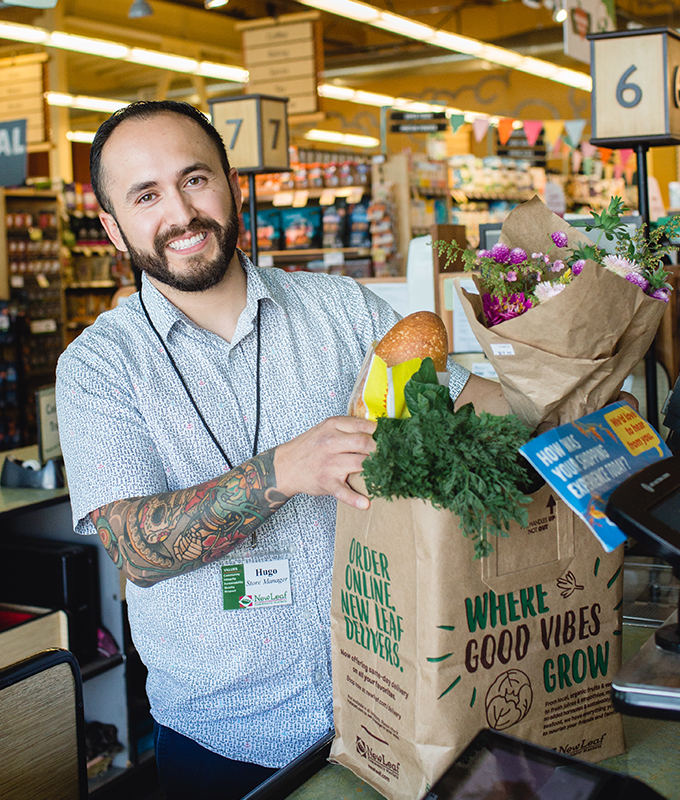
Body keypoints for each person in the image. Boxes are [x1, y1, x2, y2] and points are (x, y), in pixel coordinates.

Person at [55, 100, 505, 799]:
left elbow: (460, 403)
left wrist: (563, 393)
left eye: (195, 178)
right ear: (113, 227)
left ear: (230, 184)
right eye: (146, 195)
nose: (180, 212)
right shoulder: (100, 367)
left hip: (394, 703)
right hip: (226, 739)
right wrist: (285, 471)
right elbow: (135, 551)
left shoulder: (342, 309)